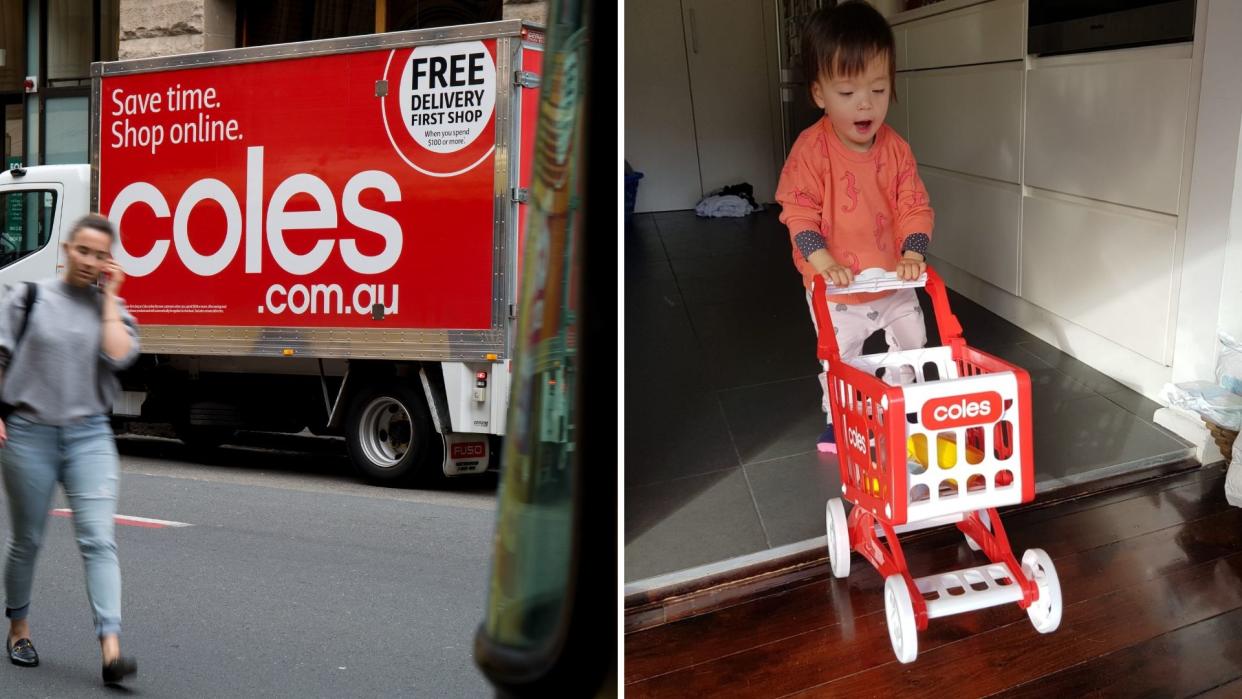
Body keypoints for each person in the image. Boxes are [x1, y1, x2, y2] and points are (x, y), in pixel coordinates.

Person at [775, 0, 934, 452]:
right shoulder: (811, 152)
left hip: (891, 276)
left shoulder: (897, 150)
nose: (865, 104)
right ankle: (839, 415)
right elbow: (798, 211)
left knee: (913, 340)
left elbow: (914, 205)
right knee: (841, 357)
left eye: (878, 90)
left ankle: (904, 399)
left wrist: (913, 252)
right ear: (820, 93)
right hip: (836, 287)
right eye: (847, 94)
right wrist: (822, 260)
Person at [0, 213, 140, 685]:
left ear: (109, 261)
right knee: (28, 541)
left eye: (100, 254)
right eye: (83, 250)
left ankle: (111, 648)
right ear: (66, 248)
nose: (89, 261)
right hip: (28, 433)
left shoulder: (111, 309)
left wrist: (111, 297)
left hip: (90, 437)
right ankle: (18, 627)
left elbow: (119, 356)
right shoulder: (29, 297)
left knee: (99, 539)